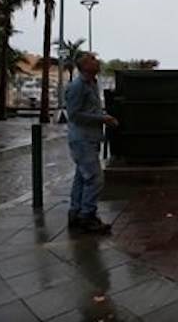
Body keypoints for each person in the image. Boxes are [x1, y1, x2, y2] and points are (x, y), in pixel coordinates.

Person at [65, 52, 118, 234]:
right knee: (95, 178)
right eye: (93, 60)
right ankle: (88, 216)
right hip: (82, 139)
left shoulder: (93, 84)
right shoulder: (77, 87)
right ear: (84, 65)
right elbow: (74, 114)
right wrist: (102, 119)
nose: (97, 61)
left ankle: (76, 212)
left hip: (91, 138)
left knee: (82, 177)